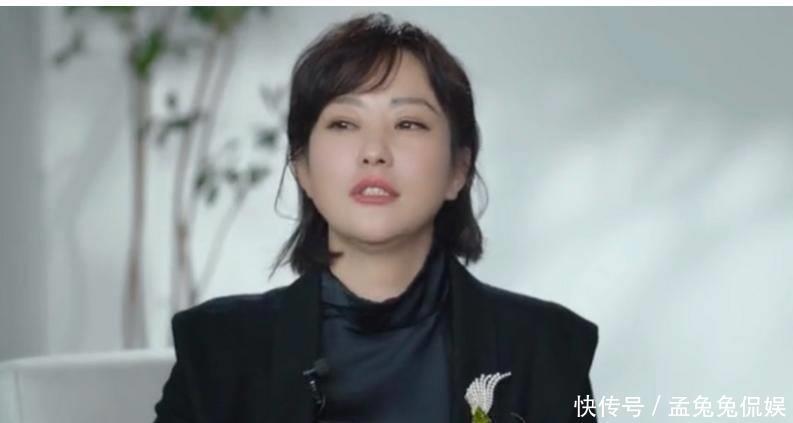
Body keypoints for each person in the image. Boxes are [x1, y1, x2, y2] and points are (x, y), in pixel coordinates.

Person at [153, 12, 598, 423]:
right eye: (344, 124)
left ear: (458, 169)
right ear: (302, 166)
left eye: (408, 124)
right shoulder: (217, 351)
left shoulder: (546, 350)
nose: (374, 151)